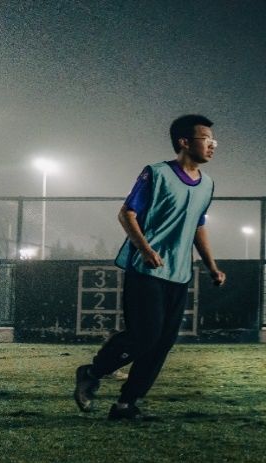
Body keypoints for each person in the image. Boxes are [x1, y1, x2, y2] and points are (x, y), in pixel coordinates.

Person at [72, 114, 226, 419]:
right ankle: (92, 372)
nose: (213, 145)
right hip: (146, 270)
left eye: (214, 141)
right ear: (184, 142)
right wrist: (145, 250)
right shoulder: (156, 173)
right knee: (145, 336)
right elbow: (126, 214)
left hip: (179, 274)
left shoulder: (207, 184)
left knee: (162, 343)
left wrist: (212, 266)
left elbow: (198, 226)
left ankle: (126, 404)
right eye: (206, 139)